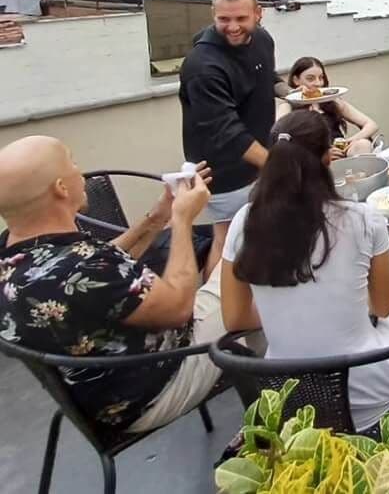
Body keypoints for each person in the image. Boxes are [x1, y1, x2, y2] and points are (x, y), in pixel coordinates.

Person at [0, 136, 223, 433]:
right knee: (242, 257)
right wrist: (182, 220)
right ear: (61, 188)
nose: (81, 171)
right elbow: (180, 307)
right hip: (155, 388)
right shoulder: (88, 267)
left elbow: (100, 274)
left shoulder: (20, 256)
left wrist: (157, 217)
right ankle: (277, 395)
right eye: (73, 162)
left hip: (94, 397)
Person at [220, 110, 389, 432]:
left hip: (290, 400)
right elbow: (382, 306)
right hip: (366, 394)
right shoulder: (365, 219)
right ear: (327, 160)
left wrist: (286, 309)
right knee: (387, 321)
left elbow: (235, 319)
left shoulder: (243, 222)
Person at [179, 0, 279, 275]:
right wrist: (278, 164)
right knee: (227, 239)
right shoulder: (203, 66)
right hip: (222, 168)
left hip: (259, 155)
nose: (233, 27)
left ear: (258, 14)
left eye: (240, 19)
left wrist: (292, 91)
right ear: (214, 15)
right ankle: (215, 309)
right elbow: (226, 131)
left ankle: (246, 299)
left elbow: (265, 75)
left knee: (257, 234)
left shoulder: (262, 40)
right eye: (224, 19)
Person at [278, 56, 379, 158]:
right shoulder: (287, 107)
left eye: (321, 78)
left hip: (340, 153)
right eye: (310, 79)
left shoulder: (332, 101)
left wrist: (351, 141)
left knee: (363, 144)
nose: (318, 83)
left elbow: (371, 124)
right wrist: (321, 153)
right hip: (310, 160)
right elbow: (279, 140)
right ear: (296, 80)